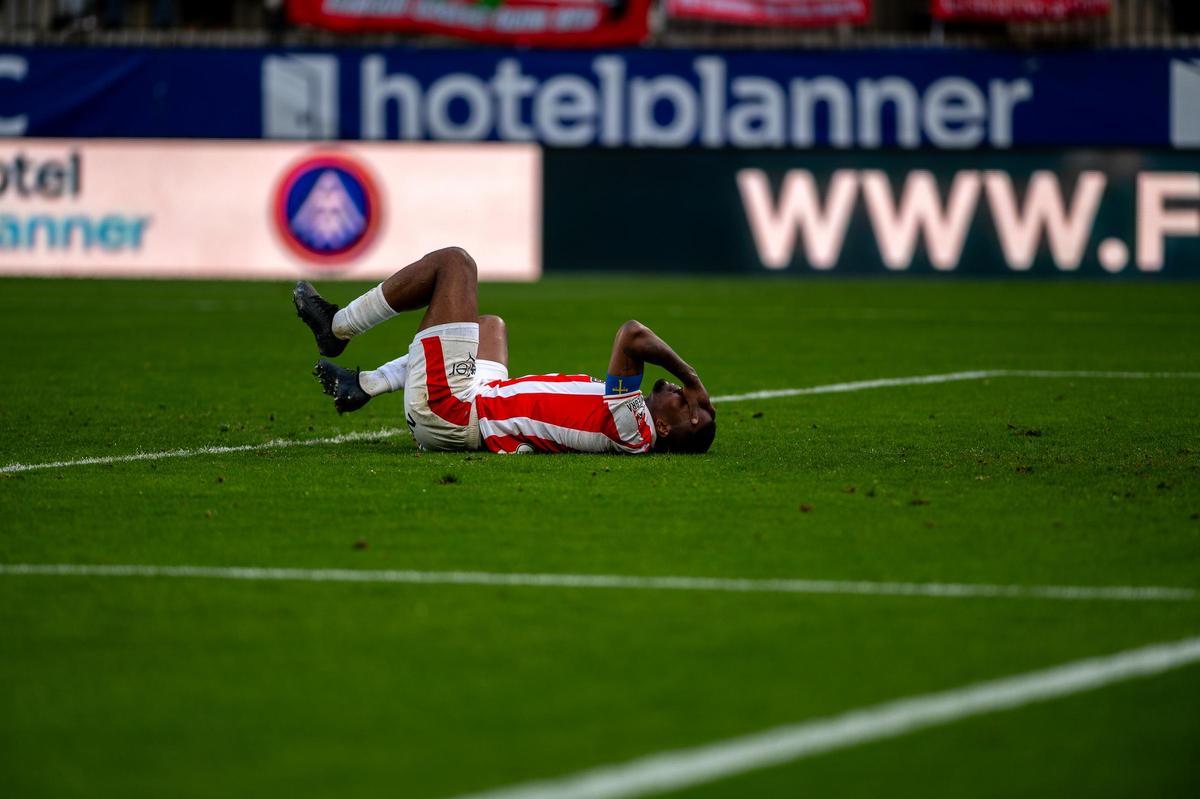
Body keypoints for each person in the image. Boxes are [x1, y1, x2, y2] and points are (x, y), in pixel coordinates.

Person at [293, 247, 716, 455]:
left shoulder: (635, 431)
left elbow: (632, 335)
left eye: (683, 401)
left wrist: (692, 375)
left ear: (663, 427)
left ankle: (336, 328)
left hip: (454, 412)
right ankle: (365, 384)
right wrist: (689, 391)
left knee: (456, 264)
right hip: (485, 396)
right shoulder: (637, 426)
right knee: (490, 326)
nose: (677, 389)